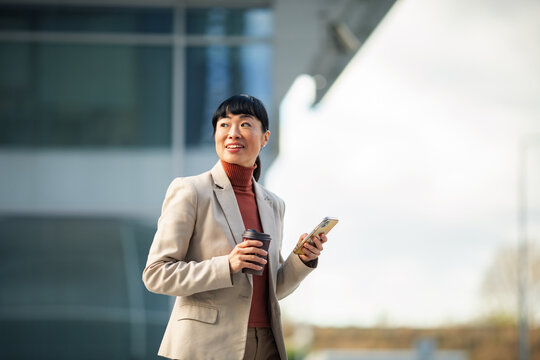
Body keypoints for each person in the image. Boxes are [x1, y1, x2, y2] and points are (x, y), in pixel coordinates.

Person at [142, 94, 327, 360]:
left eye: (245, 124)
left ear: (265, 138)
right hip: (207, 346)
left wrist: (302, 259)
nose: (233, 133)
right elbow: (156, 274)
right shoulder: (191, 191)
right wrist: (227, 265)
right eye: (224, 124)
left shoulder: (274, 204)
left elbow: (273, 289)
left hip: (266, 343)